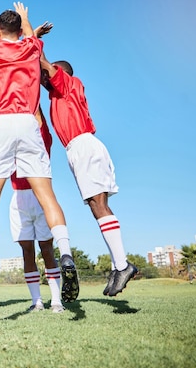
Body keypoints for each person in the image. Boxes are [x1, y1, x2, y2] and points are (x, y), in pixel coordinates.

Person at [0, 3, 79, 305]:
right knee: (48, 196)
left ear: (0, 31)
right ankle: (66, 253)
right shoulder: (31, 47)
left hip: (0, 123)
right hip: (29, 122)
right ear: (20, 30)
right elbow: (31, 36)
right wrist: (28, 21)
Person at [40, 52, 137, 297]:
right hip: (79, 149)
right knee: (97, 206)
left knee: (99, 204)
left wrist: (31, 34)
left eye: (46, 74)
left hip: (83, 146)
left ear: (57, 72)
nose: (42, 77)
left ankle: (123, 265)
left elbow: (42, 61)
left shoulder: (67, 83)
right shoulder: (57, 93)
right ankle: (118, 265)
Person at [10, 107, 64, 313]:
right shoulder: (12, 142)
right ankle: (37, 302)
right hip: (18, 198)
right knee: (27, 252)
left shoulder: (42, 138)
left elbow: (38, 118)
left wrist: (30, 97)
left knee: (47, 249)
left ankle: (57, 301)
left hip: (40, 196)